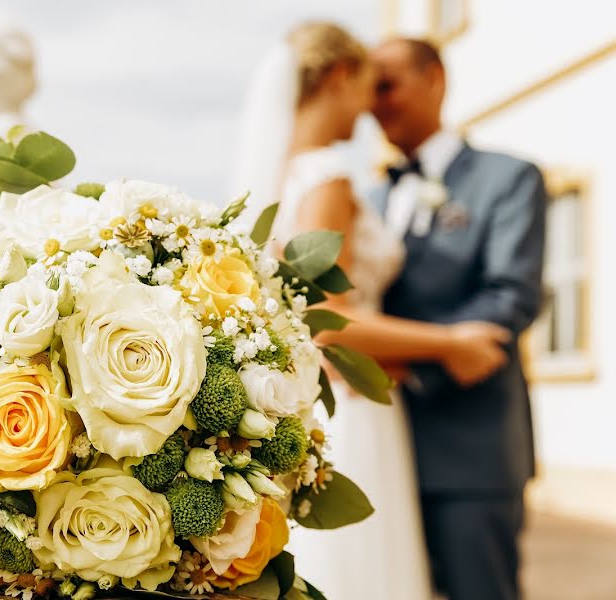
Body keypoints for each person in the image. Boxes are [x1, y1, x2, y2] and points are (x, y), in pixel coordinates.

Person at [234, 23, 511, 600]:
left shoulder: (281, 178)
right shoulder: (328, 178)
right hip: (354, 409)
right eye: (368, 84)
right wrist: (452, 342)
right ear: (339, 77)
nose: (370, 107)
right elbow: (328, 321)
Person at [371, 38, 546, 600]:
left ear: (436, 79)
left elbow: (510, 296)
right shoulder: (368, 200)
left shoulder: (509, 178)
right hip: (379, 446)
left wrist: (415, 366)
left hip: (471, 449)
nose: (377, 102)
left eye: (388, 83)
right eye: (369, 89)